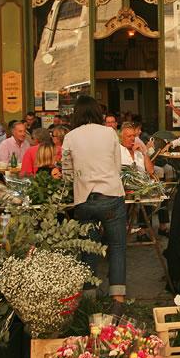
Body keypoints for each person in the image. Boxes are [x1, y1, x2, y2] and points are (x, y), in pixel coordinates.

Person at [61, 95, 127, 310]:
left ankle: (89, 300)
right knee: (117, 247)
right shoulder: (109, 133)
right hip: (111, 195)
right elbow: (117, 167)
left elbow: (67, 174)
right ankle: (117, 298)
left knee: (87, 249)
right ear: (98, 113)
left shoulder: (70, 136)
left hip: (84, 199)